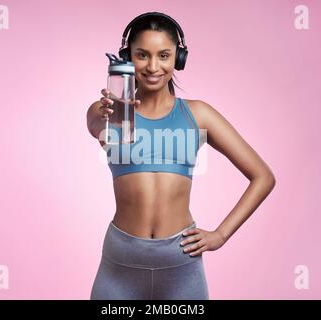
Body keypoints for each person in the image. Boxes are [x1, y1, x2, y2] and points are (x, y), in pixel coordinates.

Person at [86, 12, 275, 300]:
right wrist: (104, 111)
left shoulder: (198, 115)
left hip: (180, 266)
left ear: (178, 58)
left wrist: (221, 235)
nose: (153, 66)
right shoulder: (110, 113)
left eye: (164, 55)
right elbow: (94, 124)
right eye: (142, 55)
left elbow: (262, 177)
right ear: (127, 58)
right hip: (120, 267)